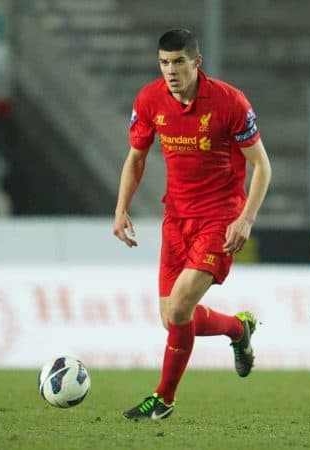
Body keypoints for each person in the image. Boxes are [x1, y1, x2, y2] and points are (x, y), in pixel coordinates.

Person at [113, 29, 271, 420]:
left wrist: (246, 219)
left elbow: (262, 166)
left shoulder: (230, 102)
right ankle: (238, 328)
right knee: (172, 318)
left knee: (181, 307)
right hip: (177, 219)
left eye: (179, 61)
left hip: (220, 219)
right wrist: (121, 209)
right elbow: (136, 158)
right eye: (164, 62)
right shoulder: (150, 100)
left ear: (196, 62)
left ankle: (163, 399)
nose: (171, 70)